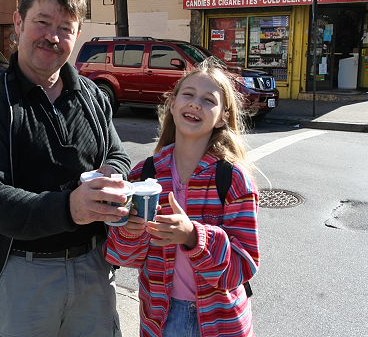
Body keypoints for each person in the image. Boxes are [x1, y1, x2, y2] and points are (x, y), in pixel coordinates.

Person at [0, 0, 131, 337]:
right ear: (19, 22)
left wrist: (110, 175)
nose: (53, 37)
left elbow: (118, 154)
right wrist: (69, 208)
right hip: (21, 272)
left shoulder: (92, 96)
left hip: (93, 267)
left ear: (77, 35)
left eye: (65, 28)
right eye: (43, 22)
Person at [105, 60, 260, 337]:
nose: (196, 104)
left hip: (222, 322)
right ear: (173, 104)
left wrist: (192, 236)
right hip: (161, 319)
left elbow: (244, 265)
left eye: (208, 100)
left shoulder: (233, 179)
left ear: (222, 117)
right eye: (188, 94)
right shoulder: (144, 176)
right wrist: (130, 231)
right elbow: (122, 255)